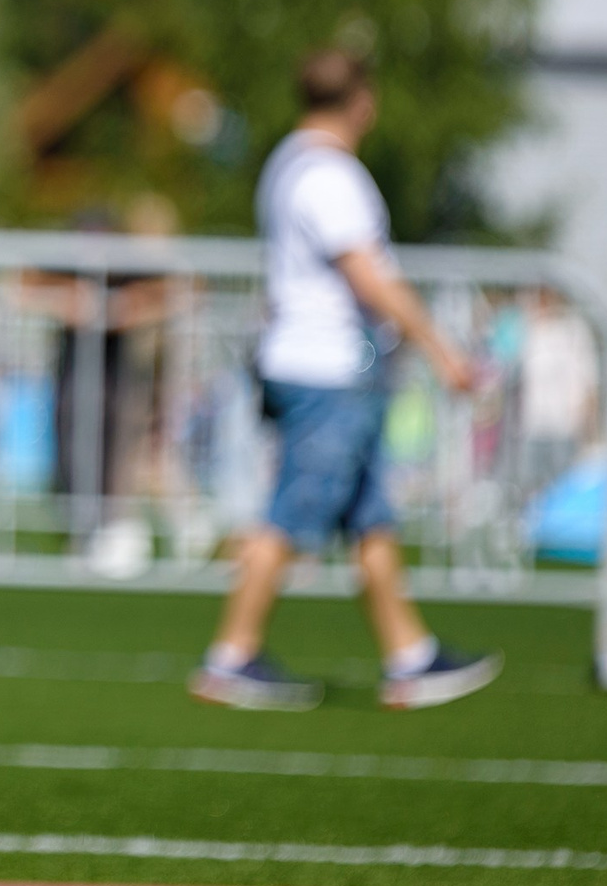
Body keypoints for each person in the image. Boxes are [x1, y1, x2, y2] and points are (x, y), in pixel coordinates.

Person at [190, 49, 501, 712]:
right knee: (292, 513)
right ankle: (231, 654)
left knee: (369, 516)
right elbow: (368, 274)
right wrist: (443, 351)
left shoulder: (287, 161)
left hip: (314, 361)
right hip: (328, 368)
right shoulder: (331, 174)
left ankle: (409, 654)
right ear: (362, 100)